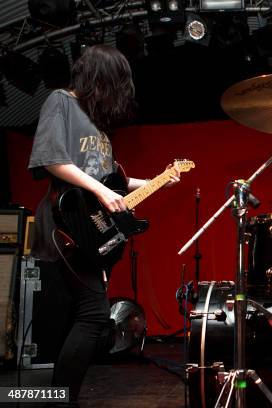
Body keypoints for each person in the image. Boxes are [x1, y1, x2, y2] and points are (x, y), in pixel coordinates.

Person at [28, 44, 180, 406]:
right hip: (64, 222)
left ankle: (57, 397)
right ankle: (61, 399)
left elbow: (111, 182)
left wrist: (158, 180)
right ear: (101, 78)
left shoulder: (99, 130)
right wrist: (97, 188)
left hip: (88, 228)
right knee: (95, 314)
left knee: (79, 315)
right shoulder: (60, 101)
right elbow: (51, 159)